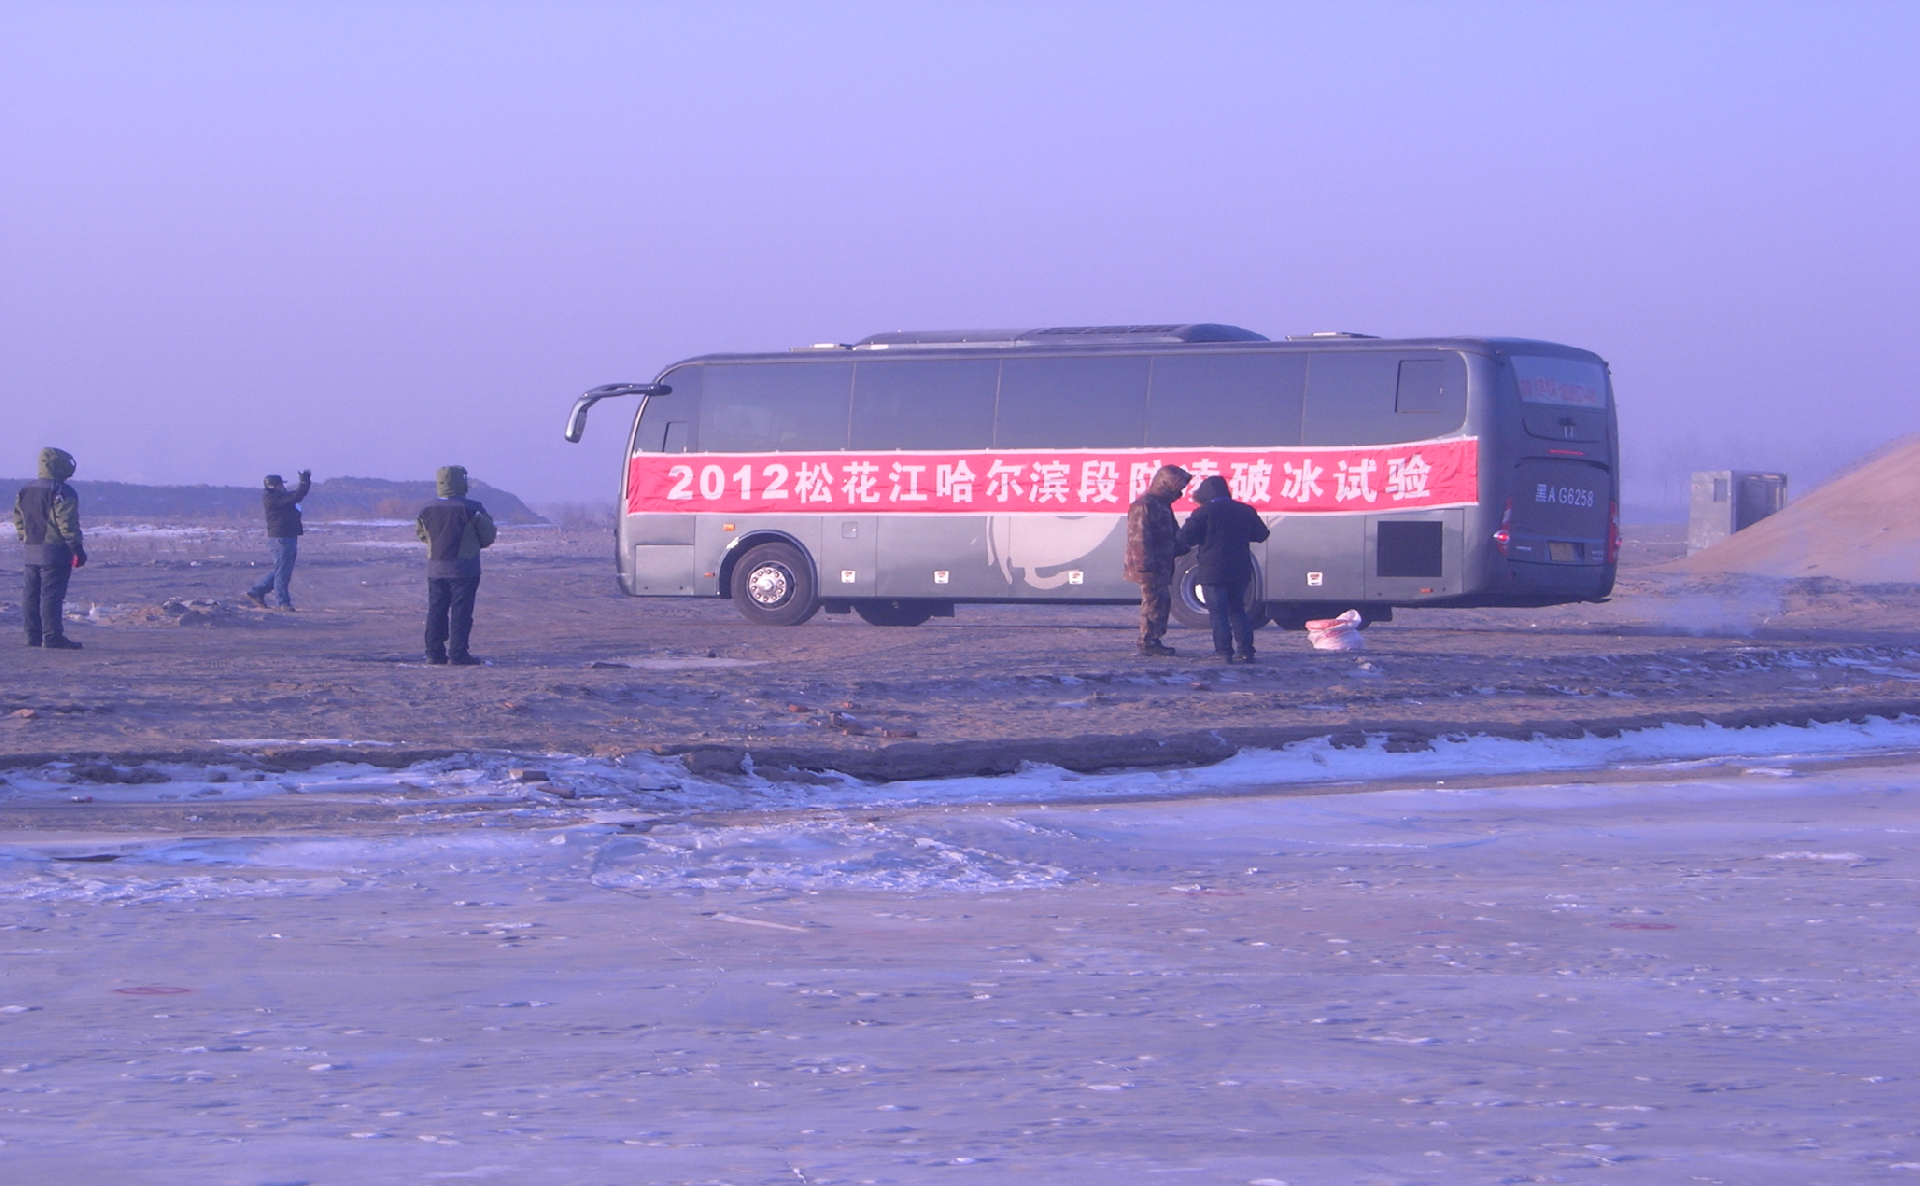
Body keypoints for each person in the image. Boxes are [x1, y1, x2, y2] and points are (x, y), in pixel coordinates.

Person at [1175, 473, 1270, 663]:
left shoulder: (1203, 512)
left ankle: (1224, 652)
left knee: (1218, 613)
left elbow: (1184, 537)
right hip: (1240, 569)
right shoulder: (1245, 510)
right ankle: (1246, 651)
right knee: (1238, 610)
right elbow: (1261, 535)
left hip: (1212, 571)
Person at [415, 465, 496, 666]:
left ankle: (434, 653)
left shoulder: (426, 510)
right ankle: (458, 653)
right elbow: (487, 536)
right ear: (462, 482)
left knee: (436, 610)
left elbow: (422, 535)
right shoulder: (473, 509)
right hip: (465, 569)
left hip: (435, 568)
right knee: (461, 612)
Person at [11, 447, 87, 650]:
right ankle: (52, 637)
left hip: (31, 549)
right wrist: (76, 547)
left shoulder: (25, 490)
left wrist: (25, 538)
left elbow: (19, 519)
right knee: (51, 596)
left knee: (31, 594)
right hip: (54, 550)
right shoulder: (62, 491)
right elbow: (66, 522)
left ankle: (32, 636)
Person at [1124, 464, 1192, 656]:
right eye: (1178, 487)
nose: (1180, 493)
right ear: (1166, 484)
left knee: (1161, 601)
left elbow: (1171, 532)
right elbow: (1139, 538)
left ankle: (1154, 639)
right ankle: (1148, 641)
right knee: (1153, 602)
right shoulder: (1144, 505)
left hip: (1161, 564)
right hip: (1150, 565)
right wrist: (1145, 567)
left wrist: (1182, 547)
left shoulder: (1161, 505)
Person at [245, 470, 310, 610]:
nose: (283, 487)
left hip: (286, 537)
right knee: (283, 572)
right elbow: (296, 496)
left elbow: (296, 496)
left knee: (281, 570)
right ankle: (283, 602)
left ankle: (257, 591)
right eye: (280, 485)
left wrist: (304, 484)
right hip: (282, 538)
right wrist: (304, 482)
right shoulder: (272, 499)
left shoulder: (277, 497)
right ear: (273, 486)